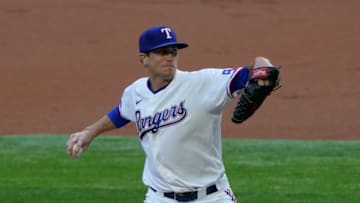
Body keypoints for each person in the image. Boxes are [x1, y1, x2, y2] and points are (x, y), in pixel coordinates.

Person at [67, 25, 279, 203]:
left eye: (173, 51)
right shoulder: (136, 91)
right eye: (162, 52)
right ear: (144, 58)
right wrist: (90, 132)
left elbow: (251, 68)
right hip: (160, 197)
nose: (169, 57)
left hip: (211, 197)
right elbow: (122, 113)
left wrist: (263, 67)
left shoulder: (201, 83)